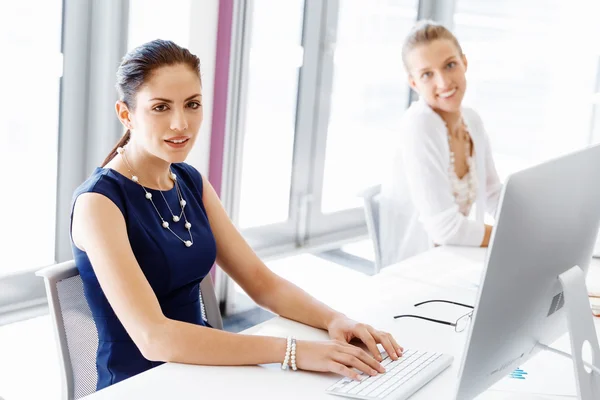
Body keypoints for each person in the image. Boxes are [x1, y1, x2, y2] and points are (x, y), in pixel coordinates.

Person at [70, 39, 403, 391]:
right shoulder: (99, 203)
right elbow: (155, 338)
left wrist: (336, 320)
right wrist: (292, 352)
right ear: (126, 114)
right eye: (161, 108)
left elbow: (262, 283)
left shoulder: (188, 181)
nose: (181, 123)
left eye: (192, 105)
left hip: (205, 371)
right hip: (142, 385)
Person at [379, 21, 503, 267]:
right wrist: (509, 238)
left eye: (450, 65)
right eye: (427, 74)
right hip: (420, 269)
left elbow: (493, 194)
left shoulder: (472, 120)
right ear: (413, 83)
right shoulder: (420, 125)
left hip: (458, 258)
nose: (444, 82)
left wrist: (538, 226)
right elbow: (446, 229)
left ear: (464, 63)